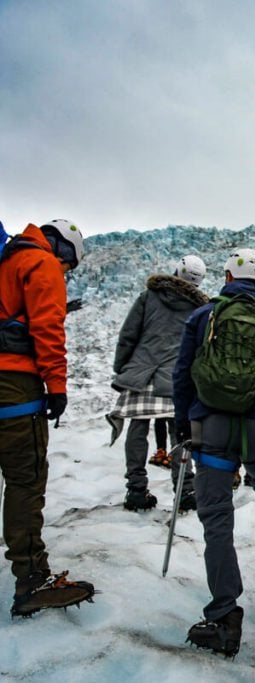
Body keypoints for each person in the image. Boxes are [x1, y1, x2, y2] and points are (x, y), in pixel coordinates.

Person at [173, 248, 255, 656]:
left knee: (216, 518)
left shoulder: (204, 315)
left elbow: (182, 371)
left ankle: (224, 615)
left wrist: (184, 421)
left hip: (211, 426)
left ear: (228, 276)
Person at [0, 219, 95, 617]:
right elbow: (47, 328)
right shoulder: (41, 264)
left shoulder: (6, 262)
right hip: (14, 386)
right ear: (65, 250)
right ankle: (31, 578)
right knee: (25, 480)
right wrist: (56, 386)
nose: (66, 273)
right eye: (69, 266)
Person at [111, 254, 208, 512]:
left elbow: (128, 335)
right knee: (180, 433)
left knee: (138, 428)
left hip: (143, 374)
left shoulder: (148, 297)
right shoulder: (199, 309)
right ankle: (185, 490)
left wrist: (122, 369)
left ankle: (136, 489)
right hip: (177, 379)